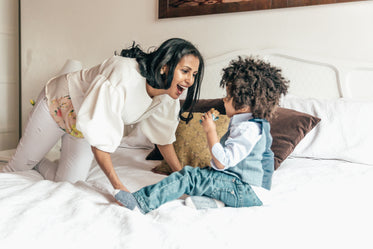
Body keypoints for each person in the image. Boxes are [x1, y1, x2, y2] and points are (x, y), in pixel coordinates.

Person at [3, 38, 205, 193]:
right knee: (17, 168)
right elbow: (102, 142)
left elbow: (164, 140)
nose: (189, 80)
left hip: (84, 127)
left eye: (194, 75)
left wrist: (182, 175)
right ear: (165, 67)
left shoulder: (167, 97)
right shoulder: (124, 74)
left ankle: (37, 160)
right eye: (185, 71)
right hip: (59, 104)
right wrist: (118, 186)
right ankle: (30, 159)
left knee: (68, 185)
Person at [114, 56, 289, 213]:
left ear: (244, 105)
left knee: (189, 176)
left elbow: (222, 163)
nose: (224, 100)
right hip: (245, 190)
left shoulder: (248, 129)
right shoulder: (252, 124)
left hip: (245, 192)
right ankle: (216, 202)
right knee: (202, 174)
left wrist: (210, 131)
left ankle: (141, 202)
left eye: (228, 97)